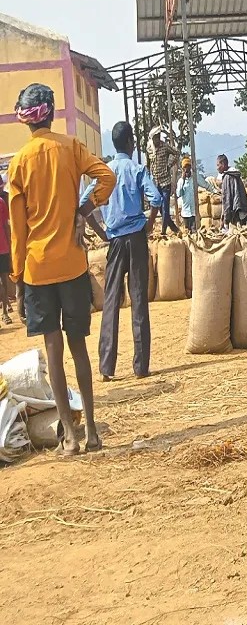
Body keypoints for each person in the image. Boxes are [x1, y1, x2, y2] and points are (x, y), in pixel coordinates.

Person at [7, 83, 115, 454]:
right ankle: (93, 431)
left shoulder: (19, 162)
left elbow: (18, 232)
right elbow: (107, 177)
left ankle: (69, 436)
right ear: (52, 114)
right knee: (79, 347)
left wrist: (18, 281)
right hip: (72, 265)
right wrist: (84, 210)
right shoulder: (70, 147)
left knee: (53, 352)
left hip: (37, 270)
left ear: (25, 120)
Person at [100, 122, 161, 381]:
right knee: (138, 300)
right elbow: (156, 198)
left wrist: (101, 232)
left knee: (111, 302)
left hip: (114, 241)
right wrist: (150, 223)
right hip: (136, 239)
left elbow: (84, 204)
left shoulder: (104, 173)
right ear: (129, 143)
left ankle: (106, 368)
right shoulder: (136, 169)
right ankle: (141, 367)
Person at [147, 128, 181, 236]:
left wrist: (169, 164)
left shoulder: (165, 146)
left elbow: (177, 153)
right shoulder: (150, 149)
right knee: (160, 209)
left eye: (158, 137)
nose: (157, 140)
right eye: (155, 138)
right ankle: (174, 228)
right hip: (156, 182)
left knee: (165, 208)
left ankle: (163, 231)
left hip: (165, 182)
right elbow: (150, 163)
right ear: (152, 138)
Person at [217, 153, 247, 228]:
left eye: (218, 165)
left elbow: (227, 200)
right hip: (241, 211)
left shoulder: (227, 177)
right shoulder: (236, 174)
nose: (217, 168)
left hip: (234, 214)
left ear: (223, 164)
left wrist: (225, 220)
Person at [175, 157, 208, 231]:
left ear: (190, 167)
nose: (186, 169)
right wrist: (183, 181)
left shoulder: (195, 178)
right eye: (185, 167)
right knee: (187, 232)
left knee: (194, 232)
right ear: (182, 169)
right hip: (185, 213)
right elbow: (178, 194)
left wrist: (214, 190)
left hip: (194, 212)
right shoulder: (180, 181)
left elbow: (205, 185)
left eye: (188, 167)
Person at [0, 179, 11, 325]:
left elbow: (5, 225)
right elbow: (6, 226)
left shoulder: (1, 202)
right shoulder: (2, 202)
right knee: (3, 280)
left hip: (2, 247)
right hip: (3, 247)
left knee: (3, 280)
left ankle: (5, 311)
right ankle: (5, 312)